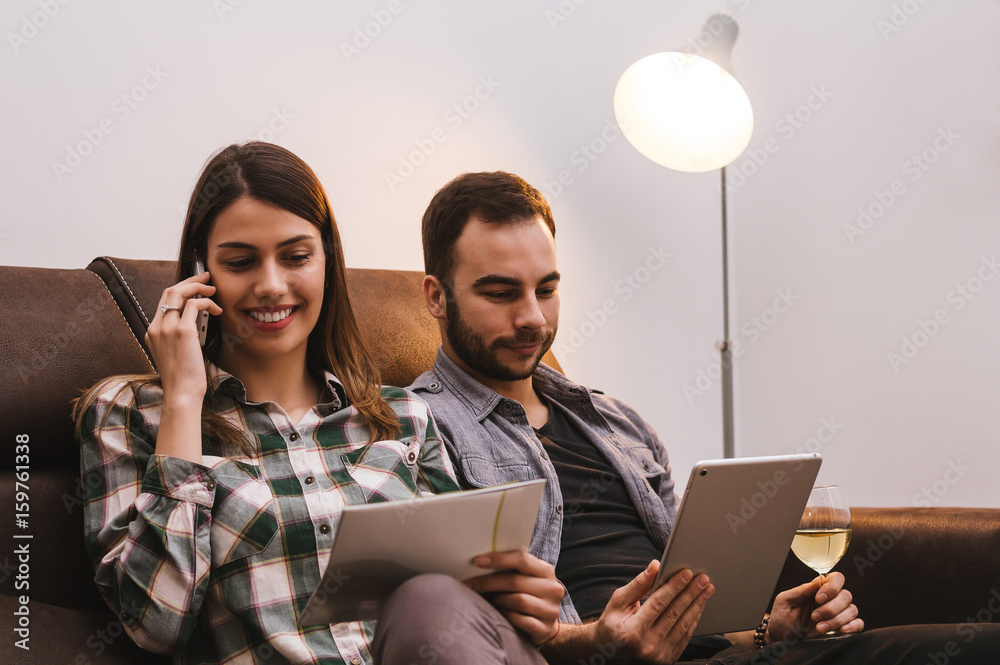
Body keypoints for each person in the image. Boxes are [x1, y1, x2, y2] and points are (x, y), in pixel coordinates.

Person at [408, 170, 1000, 664]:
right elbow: (460, 628)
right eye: (500, 293)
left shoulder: (617, 422)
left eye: (547, 288)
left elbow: (694, 600)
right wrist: (594, 642)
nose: (534, 318)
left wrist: (770, 628)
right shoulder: (413, 430)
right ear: (437, 296)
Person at [73, 144, 562, 665]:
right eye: (241, 262)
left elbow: (458, 605)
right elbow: (156, 624)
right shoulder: (130, 413)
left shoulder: (403, 417)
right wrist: (185, 400)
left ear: (328, 262)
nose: (271, 285)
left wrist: (519, 595)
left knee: (431, 598)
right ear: (200, 272)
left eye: (296, 257)